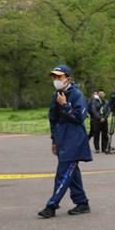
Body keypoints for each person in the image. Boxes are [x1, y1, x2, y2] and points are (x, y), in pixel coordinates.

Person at [38, 65, 92, 218]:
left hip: (74, 139)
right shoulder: (56, 95)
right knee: (72, 172)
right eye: (54, 77)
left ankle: (51, 205)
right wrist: (54, 140)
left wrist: (65, 105)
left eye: (59, 77)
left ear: (67, 78)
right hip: (62, 139)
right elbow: (53, 119)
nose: (56, 80)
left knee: (63, 173)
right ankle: (82, 203)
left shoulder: (77, 95)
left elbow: (79, 117)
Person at [88, 89, 111, 154]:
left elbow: (108, 110)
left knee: (105, 134)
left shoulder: (106, 102)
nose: (101, 95)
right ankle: (97, 148)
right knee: (96, 134)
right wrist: (99, 117)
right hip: (96, 120)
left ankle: (104, 148)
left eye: (102, 93)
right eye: (100, 93)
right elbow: (93, 110)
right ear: (98, 94)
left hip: (104, 120)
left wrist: (105, 117)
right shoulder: (94, 102)